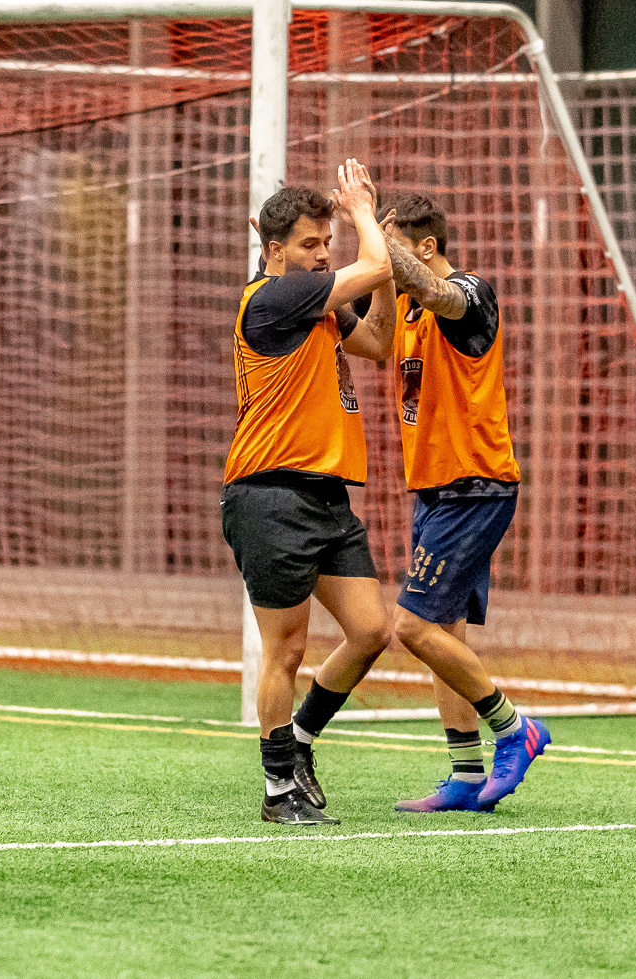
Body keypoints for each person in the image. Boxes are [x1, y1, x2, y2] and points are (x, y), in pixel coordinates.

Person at [222, 159, 397, 826]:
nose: (323, 254)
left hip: (324, 496)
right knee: (287, 650)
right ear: (275, 251)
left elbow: (378, 341)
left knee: (370, 630)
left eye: (328, 242)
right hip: (269, 493)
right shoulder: (275, 297)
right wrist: (363, 215)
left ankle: (297, 739)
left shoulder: (316, 304)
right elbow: (371, 265)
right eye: (310, 244)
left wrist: (387, 278)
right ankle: (278, 791)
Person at [379, 193, 549, 812]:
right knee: (444, 631)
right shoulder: (402, 307)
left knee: (413, 627)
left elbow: (437, 292)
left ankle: (515, 728)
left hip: (475, 486)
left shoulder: (470, 294)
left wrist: (372, 231)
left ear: (426, 247)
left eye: (391, 243)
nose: (379, 253)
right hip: (433, 489)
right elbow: (363, 330)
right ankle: (465, 774)